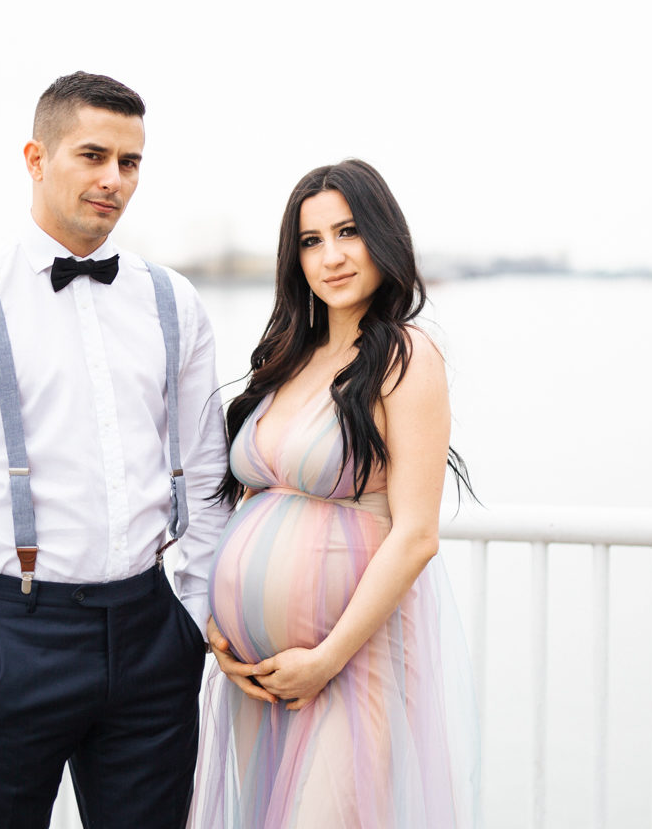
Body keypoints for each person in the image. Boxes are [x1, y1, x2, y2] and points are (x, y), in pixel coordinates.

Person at [0, 71, 229, 828]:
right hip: (14, 638)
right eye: (93, 155)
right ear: (36, 158)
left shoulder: (173, 302)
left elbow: (206, 474)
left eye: (129, 162)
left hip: (150, 633)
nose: (113, 180)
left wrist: (192, 618)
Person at [190, 159, 479, 828]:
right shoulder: (287, 357)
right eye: (312, 240)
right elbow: (239, 508)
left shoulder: (406, 356)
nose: (332, 256)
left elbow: (416, 535)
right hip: (260, 676)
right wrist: (219, 629)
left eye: (347, 231)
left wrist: (324, 659)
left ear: (383, 237)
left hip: (351, 661)